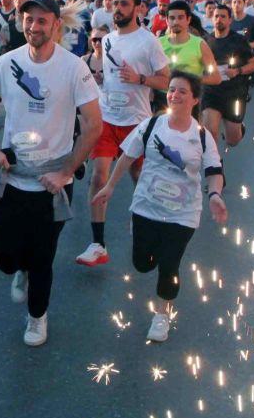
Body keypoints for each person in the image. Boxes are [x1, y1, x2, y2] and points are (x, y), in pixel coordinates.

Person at [0, 0, 102, 346]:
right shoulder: (7, 62)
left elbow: (93, 125)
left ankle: (37, 317)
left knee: (44, 257)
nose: (34, 26)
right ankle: (19, 269)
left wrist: (67, 171)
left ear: (57, 26)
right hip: (11, 179)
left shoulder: (74, 68)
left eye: (42, 20)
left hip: (53, 184)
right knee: (4, 257)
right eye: (28, 19)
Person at [90, 71, 227, 342]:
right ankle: (144, 243)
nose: (174, 95)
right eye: (172, 90)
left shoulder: (201, 137)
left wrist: (214, 195)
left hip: (183, 213)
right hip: (146, 207)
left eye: (182, 91)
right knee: (142, 264)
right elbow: (128, 156)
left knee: (170, 263)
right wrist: (110, 186)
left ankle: (162, 315)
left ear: (195, 100)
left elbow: (213, 170)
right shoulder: (152, 125)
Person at [82, 0, 170, 268]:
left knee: (139, 177)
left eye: (123, 4)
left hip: (137, 121)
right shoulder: (106, 41)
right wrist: (98, 83)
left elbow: (166, 81)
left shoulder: (148, 42)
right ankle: (97, 244)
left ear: (137, 8)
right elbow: (110, 79)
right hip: (108, 118)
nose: (117, 9)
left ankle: (143, 221)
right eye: (114, 3)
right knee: (99, 175)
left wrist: (140, 78)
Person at [202, 4, 254, 148]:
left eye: (222, 17)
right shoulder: (205, 42)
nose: (219, 19)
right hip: (211, 93)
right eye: (216, 16)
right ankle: (214, 165)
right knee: (210, 132)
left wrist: (237, 71)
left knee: (232, 141)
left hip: (234, 93)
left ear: (229, 20)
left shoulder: (239, 41)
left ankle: (239, 129)